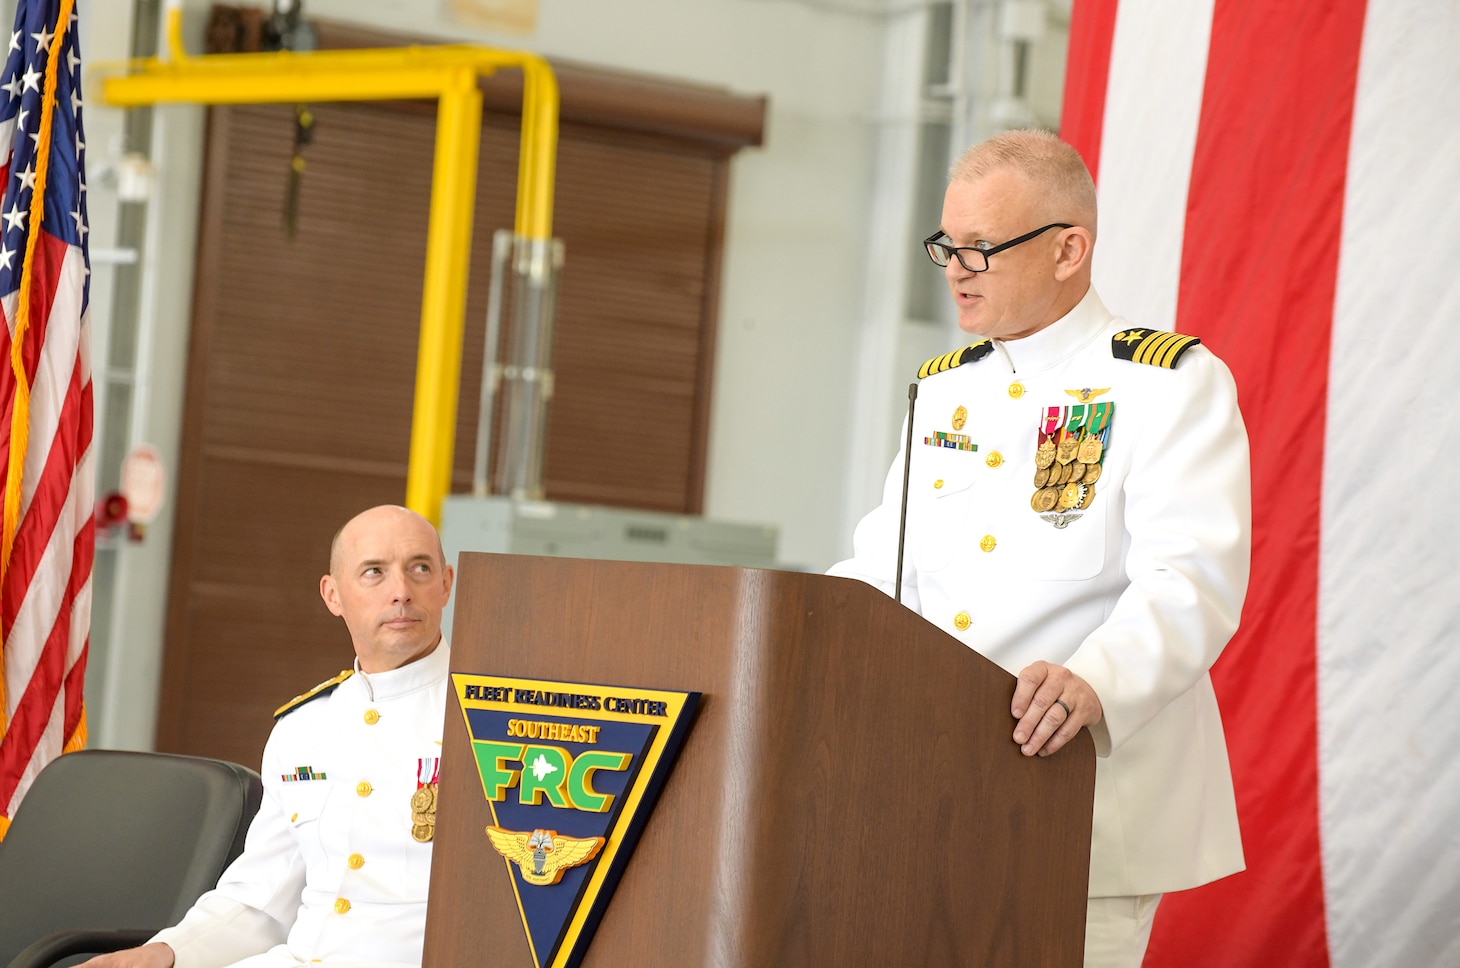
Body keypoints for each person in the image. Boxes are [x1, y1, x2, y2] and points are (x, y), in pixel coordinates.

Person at [828, 129, 1250, 967]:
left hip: (1083, 797)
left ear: (1069, 249)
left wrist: (1096, 680)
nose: (955, 267)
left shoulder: (1165, 382)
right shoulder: (945, 390)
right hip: (928, 791)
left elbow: (1190, 578)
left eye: (983, 247)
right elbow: (881, 572)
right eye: (947, 244)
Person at [81, 505, 456, 968]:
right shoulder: (303, 728)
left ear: (446, 584)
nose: (401, 592)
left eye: (419, 568)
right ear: (333, 595)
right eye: (374, 572)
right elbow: (261, 900)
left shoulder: (486, 722)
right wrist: (164, 953)